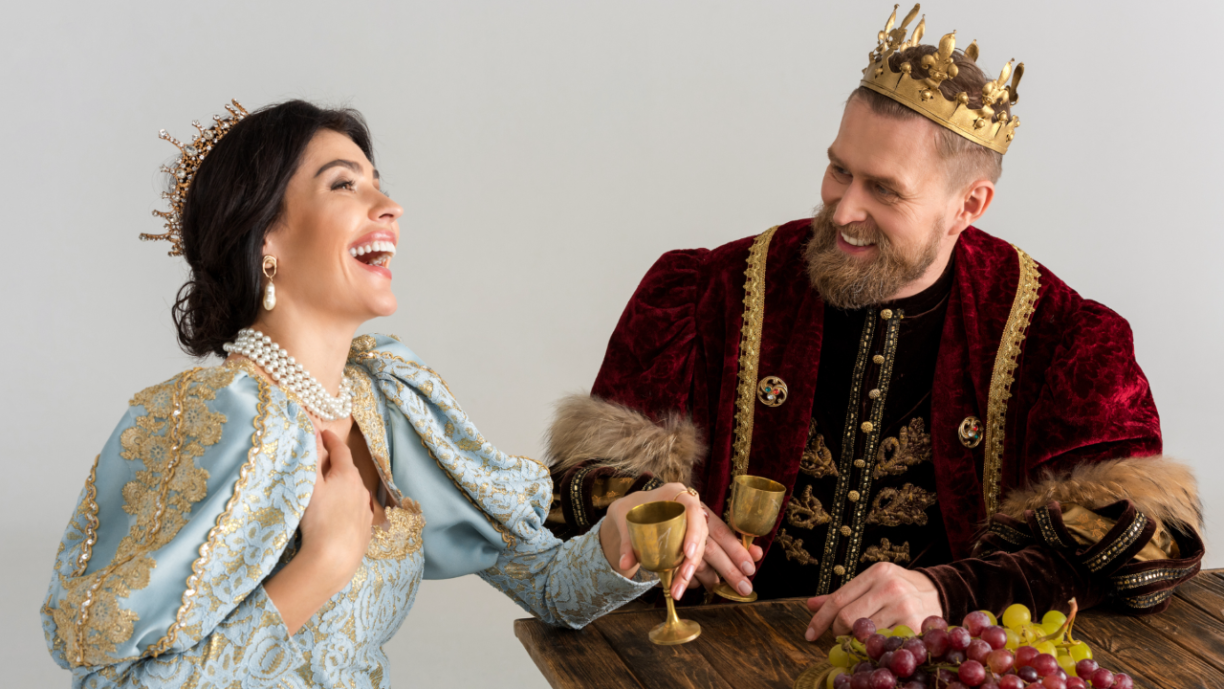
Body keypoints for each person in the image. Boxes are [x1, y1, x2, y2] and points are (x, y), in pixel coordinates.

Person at [544, 4, 1204, 644]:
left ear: (969, 204)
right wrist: (648, 508)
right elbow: (568, 496)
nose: (843, 209)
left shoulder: (1061, 338)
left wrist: (951, 593)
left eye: (884, 189)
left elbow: (1152, 543)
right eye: (839, 169)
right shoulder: (707, 292)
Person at [41, 99, 709, 688]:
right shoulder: (214, 415)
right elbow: (118, 683)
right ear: (265, 235)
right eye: (344, 184)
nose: (389, 206)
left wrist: (621, 536)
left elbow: (548, 584)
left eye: (378, 183)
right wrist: (324, 563)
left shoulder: (382, 402)